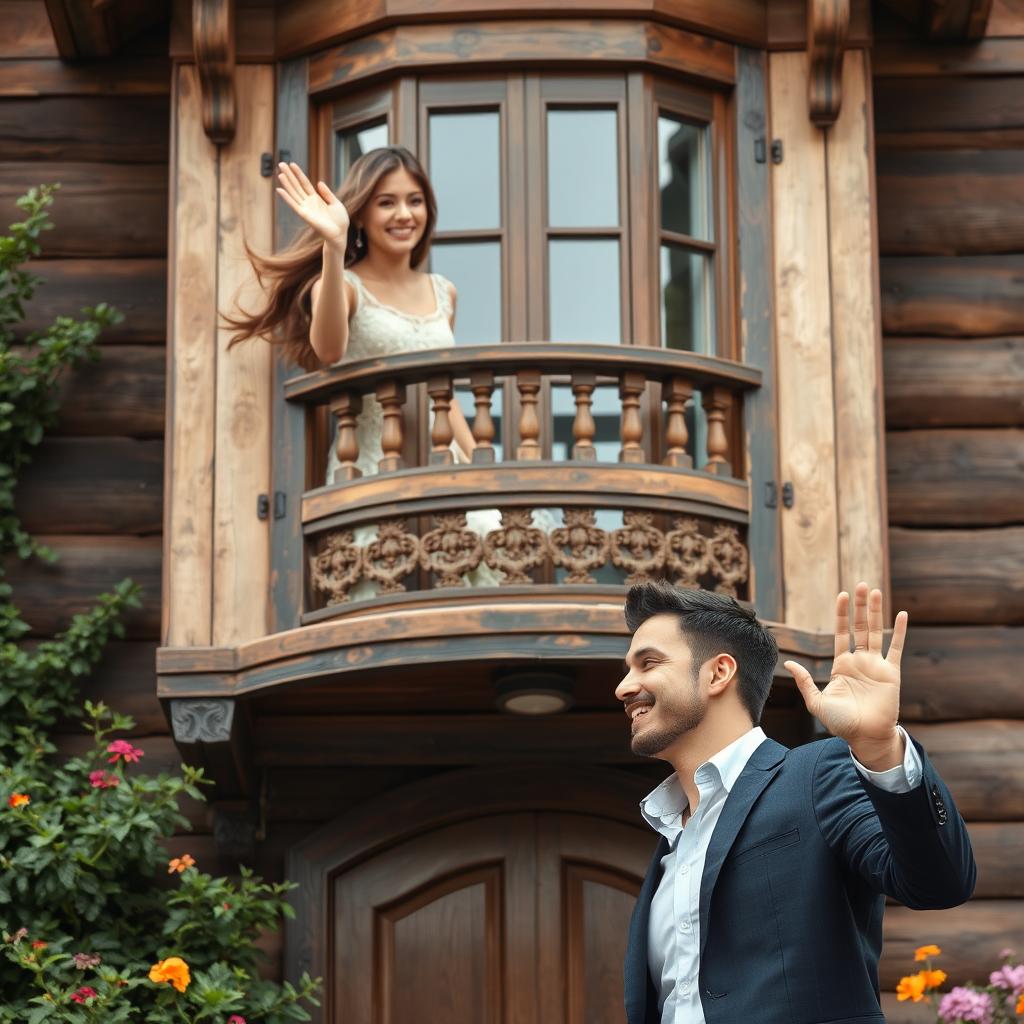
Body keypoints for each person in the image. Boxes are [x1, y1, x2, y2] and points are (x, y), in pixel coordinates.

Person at [616, 580, 975, 1024]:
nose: (623, 687)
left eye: (647, 663)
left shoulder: (815, 774)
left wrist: (880, 749)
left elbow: (939, 883)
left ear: (718, 673)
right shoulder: (670, 842)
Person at [226, 146, 501, 592]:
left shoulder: (443, 292)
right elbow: (328, 350)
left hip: (442, 469)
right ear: (362, 214)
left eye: (414, 200)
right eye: (386, 202)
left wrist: (483, 466)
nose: (404, 214)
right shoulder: (342, 287)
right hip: (373, 468)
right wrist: (333, 249)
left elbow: (444, 399)